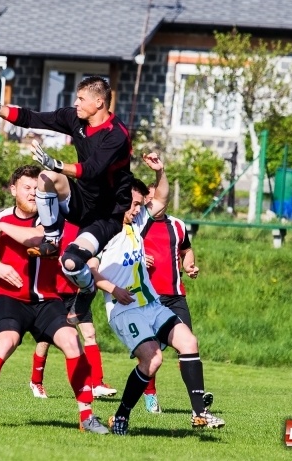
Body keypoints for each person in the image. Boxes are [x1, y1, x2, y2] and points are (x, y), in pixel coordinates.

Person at [0, 165, 109, 434]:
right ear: (13, 190)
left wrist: (3, 227)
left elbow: (38, 237)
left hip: (47, 300)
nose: (33, 194)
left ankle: (87, 416)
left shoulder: (51, 216)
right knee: (6, 342)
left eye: (37, 189)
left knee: (71, 341)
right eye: (27, 188)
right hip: (10, 298)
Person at [0, 76, 133, 323]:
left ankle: (87, 289)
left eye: (81, 99)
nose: (75, 103)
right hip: (81, 201)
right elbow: (32, 118)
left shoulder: (117, 135)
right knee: (46, 177)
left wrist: (57, 163)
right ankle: (51, 238)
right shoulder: (75, 118)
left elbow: (92, 169)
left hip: (106, 216)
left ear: (99, 102)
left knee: (70, 263)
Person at [87, 154, 225, 435]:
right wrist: (114, 289)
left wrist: (161, 171)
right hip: (125, 309)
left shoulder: (137, 223)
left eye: (139, 204)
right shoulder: (103, 229)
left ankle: (199, 413)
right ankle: (122, 415)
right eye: (134, 204)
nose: (138, 209)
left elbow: (160, 199)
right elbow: (88, 268)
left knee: (188, 340)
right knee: (152, 359)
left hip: (151, 303)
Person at [138, 183, 213, 414]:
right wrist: (141, 258)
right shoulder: (137, 224)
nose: (152, 204)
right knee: (152, 352)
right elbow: (123, 253)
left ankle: (196, 402)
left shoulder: (178, 225)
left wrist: (189, 265)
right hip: (150, 298)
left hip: (176, 297)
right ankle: (150, 395)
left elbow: (186, 249)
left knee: (188, 345)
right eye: (148, 200)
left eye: (156, 199)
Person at [29, 220, 117, 400]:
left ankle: (97, 383)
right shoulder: (53, 222)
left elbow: (93, 257)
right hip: (53, 292)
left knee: (90, 334)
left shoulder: (88, 227)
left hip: (77, 293)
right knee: (45, 340)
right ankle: (36, 381)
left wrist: (88, 273)